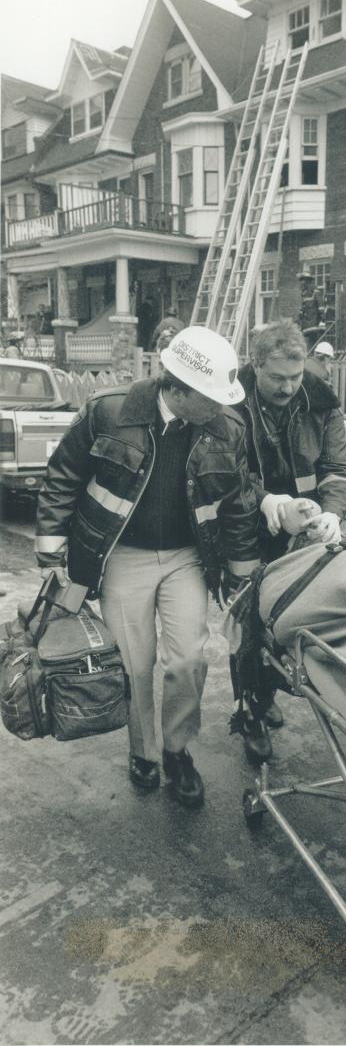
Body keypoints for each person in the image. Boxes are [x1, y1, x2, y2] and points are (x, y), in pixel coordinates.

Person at [34, 326, 263, 807]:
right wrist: (52, 555)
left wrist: (243, 574)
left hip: (186, 559)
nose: (221, 408)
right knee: (135, 664)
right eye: (212, 398)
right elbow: (62, 478)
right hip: (122, 556)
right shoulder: (109, 411)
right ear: (177, 388)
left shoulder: (227, 429)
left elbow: (238, 504)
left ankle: (177, 750)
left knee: (188, 659)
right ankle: (145, 753)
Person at [236, 319, 346, 760]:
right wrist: (266, 503)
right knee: (250, 625)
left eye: (295, 377)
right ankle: (251, 708)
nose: (288, 388)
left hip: (305, 527)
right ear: (256, 365)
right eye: (276, 378)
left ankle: (266, 691)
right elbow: (226, 475)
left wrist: (332, 513)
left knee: (293, 623)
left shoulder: (323, 402)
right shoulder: (231, 402)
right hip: (246, 526)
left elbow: (339, 468)